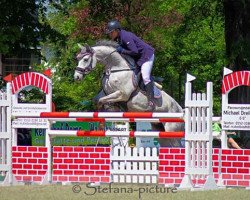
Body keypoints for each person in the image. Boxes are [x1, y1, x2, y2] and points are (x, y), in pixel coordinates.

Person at [105, 20, 156, 108]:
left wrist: (123, 50)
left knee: (145, 76)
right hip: (138, 57)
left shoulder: (125, 37)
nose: (110, 34)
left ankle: (151, 101)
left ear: (117, 30)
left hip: (146, 55)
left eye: (111, 32)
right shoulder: (119, 38)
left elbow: (134, 51)